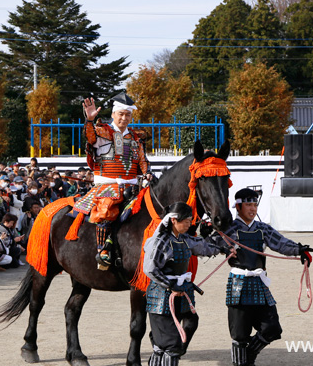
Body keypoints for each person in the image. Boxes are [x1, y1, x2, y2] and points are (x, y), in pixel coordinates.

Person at [213, 188, 313, 366]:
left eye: (255, 205)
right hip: (238, 285)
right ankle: (242, 362)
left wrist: (299, 250)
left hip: (259, 284)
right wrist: (209, 236)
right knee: (240, 335)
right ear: (238, 207)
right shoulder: (228, 230)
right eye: (248, 205)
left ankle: (247, 357)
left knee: (272, 328)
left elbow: (280, 243)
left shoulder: (262, 229)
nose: (252, 209)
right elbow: (209, 246)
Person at [143, 202, 224, 366]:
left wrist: (225, 246)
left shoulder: (185, 239)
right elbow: (150, 269)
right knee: (172, 345)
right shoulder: (161, 241)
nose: (189, 224)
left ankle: (160, 347)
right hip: (161, 297)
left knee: (191, 322)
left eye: (190, 220)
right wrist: (170, 284)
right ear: (173, 220)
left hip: (182, 296)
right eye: (186, 221)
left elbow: (204, 247)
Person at [82, 93, 152, 268]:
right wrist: (89, 120)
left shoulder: (136, 137)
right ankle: (103, 251)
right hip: (107, 185)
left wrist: (148, 172)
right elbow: (90, 138)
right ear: (113, 114)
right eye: (120, 113)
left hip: (133, 186)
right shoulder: (102, 131)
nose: (124, 117)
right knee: (106, 208)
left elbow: (143, 160)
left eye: (127, 114)